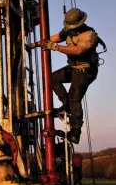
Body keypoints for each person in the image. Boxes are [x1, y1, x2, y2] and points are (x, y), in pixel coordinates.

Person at [34, 8, 100, 144]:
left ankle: (75, 133)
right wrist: (39, 43)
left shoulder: (89, 35)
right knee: (52, 78)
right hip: (74, 68)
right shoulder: (68, 31)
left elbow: (79, 50)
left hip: (85, 70)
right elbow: (56, 38)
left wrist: (56, 47)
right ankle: (67, 105)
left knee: (74, 98)